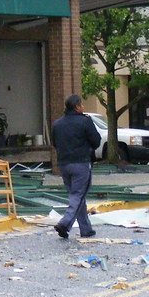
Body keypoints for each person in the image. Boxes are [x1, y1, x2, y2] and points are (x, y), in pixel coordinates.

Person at [51, 94, 101, 239]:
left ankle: (86, 229)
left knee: (76, 196)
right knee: (78, 195)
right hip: (81, 163)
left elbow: (54, 143)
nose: (83, 107)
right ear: (77, 107)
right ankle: (65, 223)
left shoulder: (57, 124)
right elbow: (96, 141)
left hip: (63, 164)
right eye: (82, 104)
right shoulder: (85, 121)